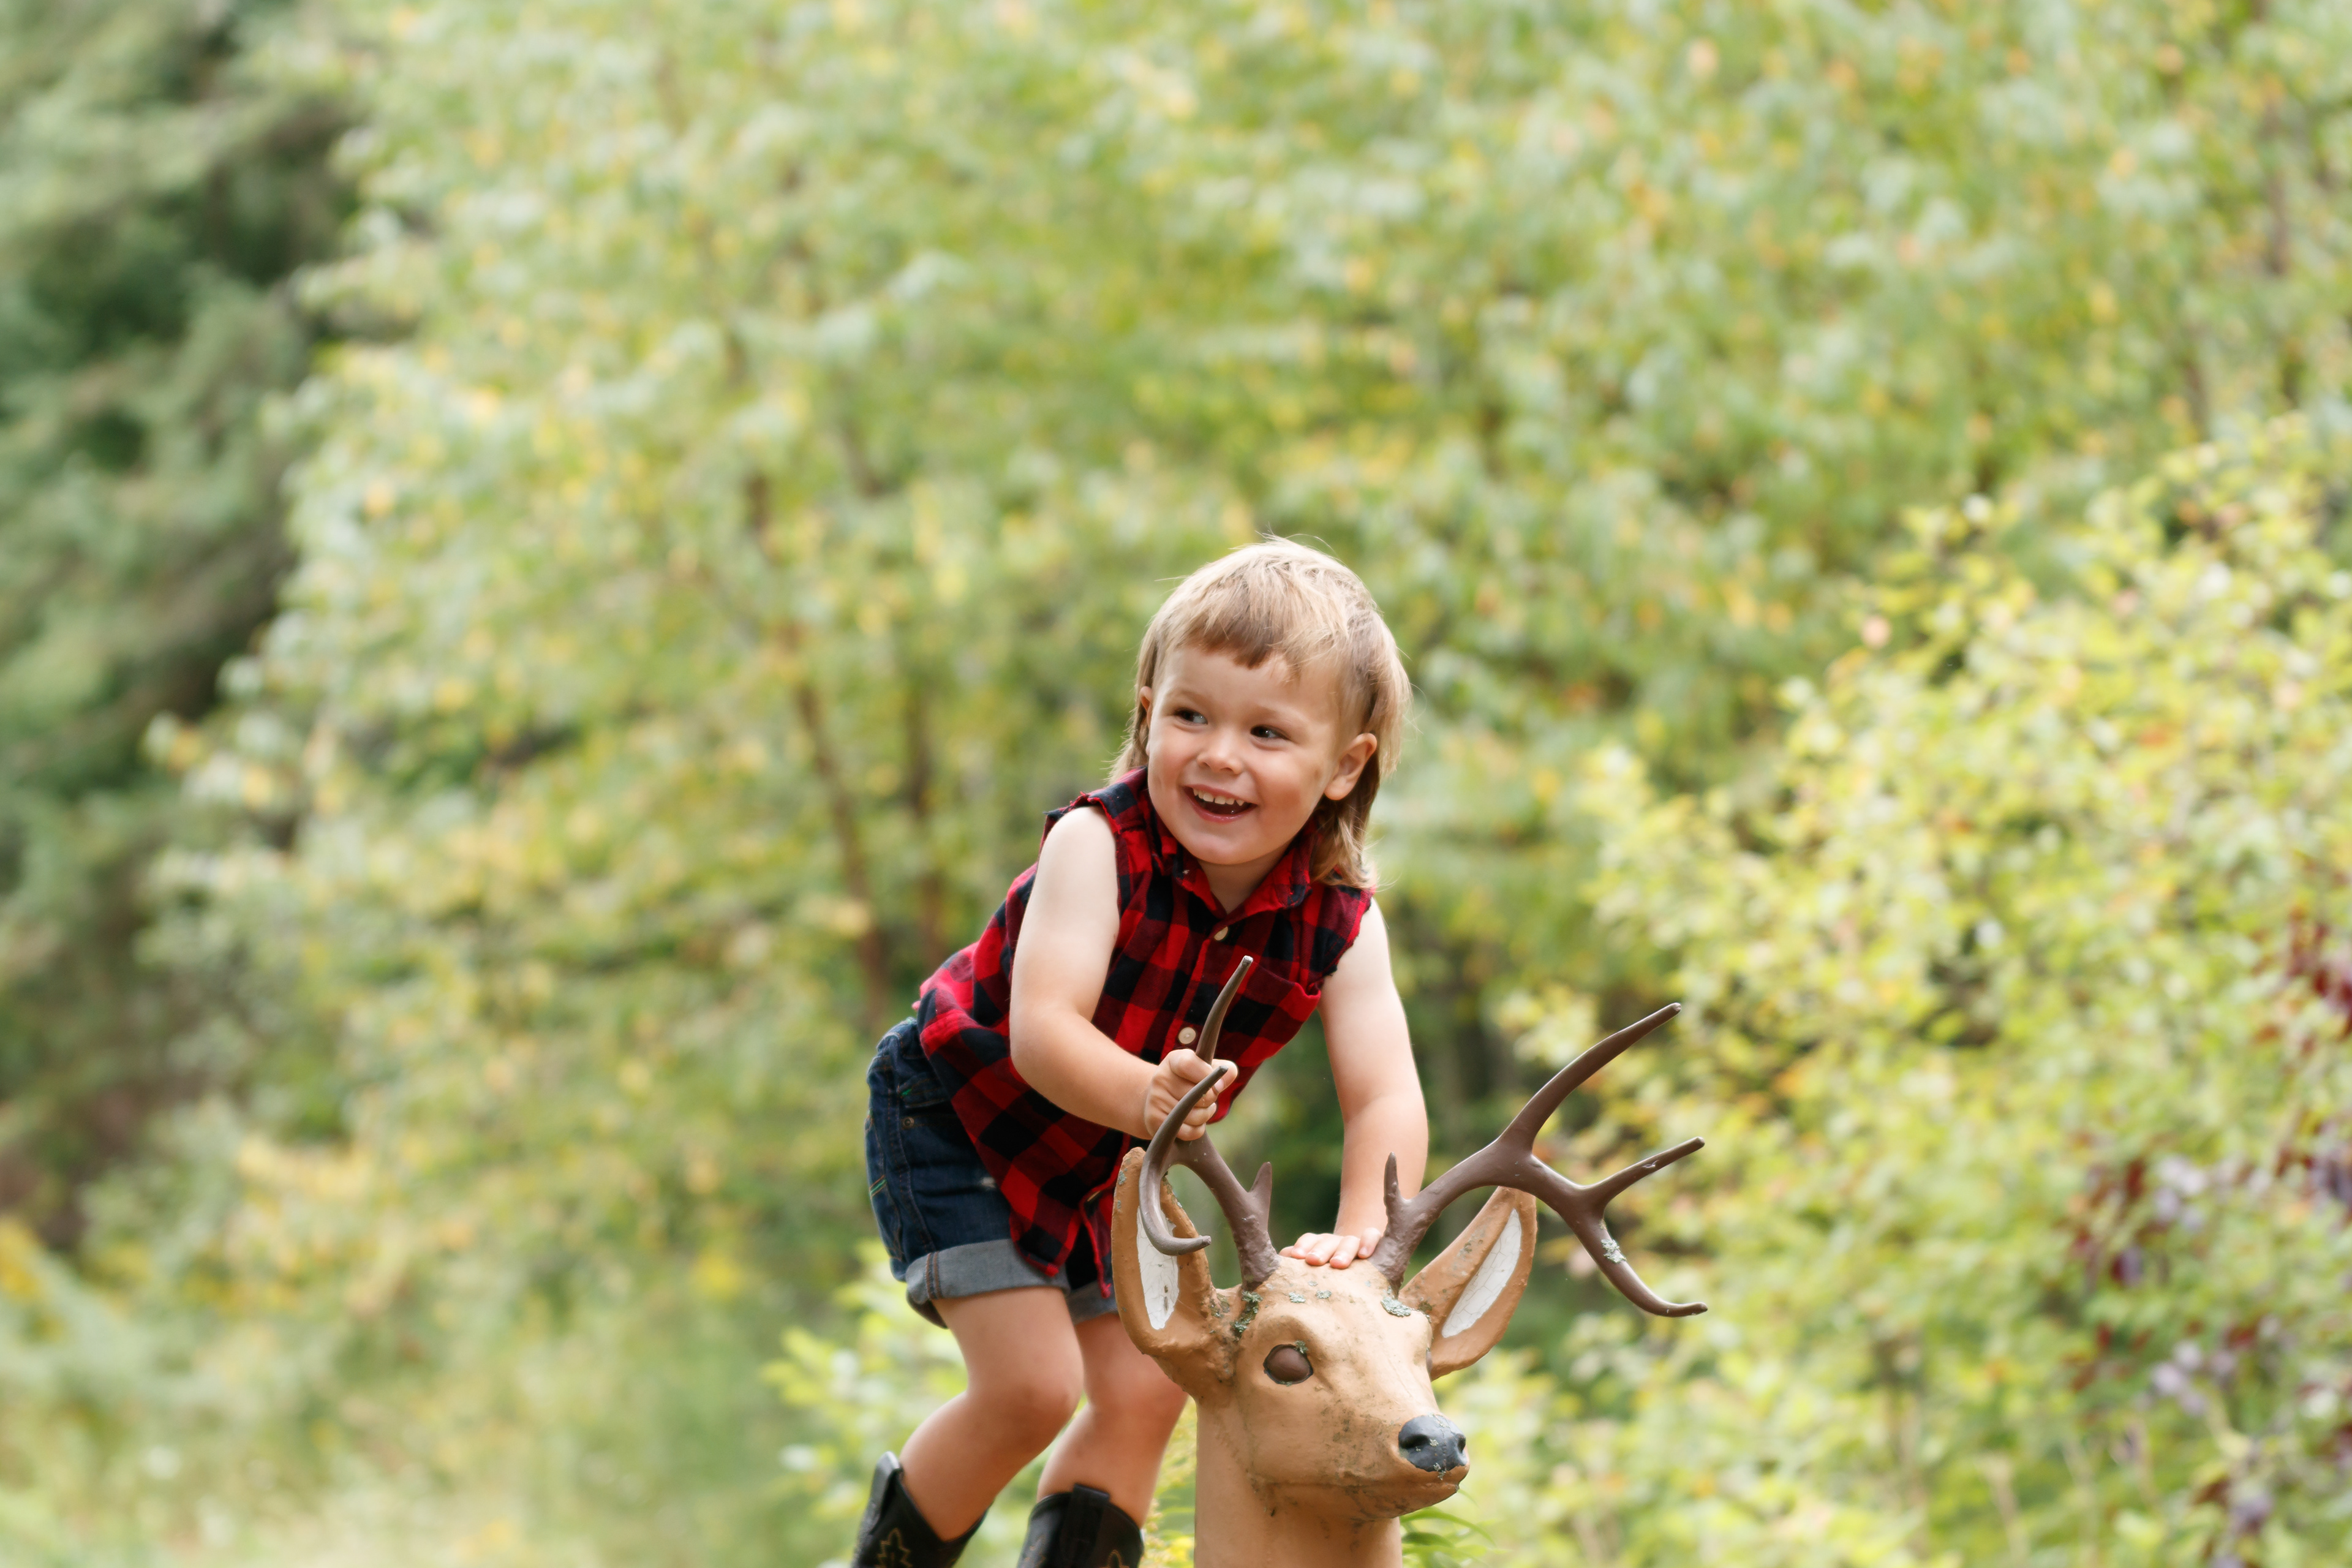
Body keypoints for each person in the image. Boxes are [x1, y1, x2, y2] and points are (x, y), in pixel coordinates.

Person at [851, 541, 1430, 1567]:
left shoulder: (1342, 919)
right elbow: (1044, 1033)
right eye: (1191, 716)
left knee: (1150, 1382)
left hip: (1104, 1159)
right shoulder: (1097, 846)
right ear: (1148, 710)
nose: (1218, 755)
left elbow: (1384, 1094)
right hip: (962, 1114)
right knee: (1031, 1387)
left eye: (1267, 732)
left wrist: (1360, 1247)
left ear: (1347, 765)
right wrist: (1145, 1093)